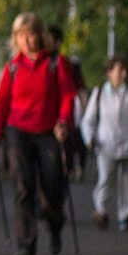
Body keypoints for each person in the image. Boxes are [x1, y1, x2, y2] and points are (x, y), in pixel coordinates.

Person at [0, 12, 79, 255]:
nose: (27, 39)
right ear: (16, 39)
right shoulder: (13, 67)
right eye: (21, 35)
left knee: (52, 187)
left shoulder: (56, 64)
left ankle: (55, 226)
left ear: (41, 35)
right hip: (18, 132)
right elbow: (2, 102)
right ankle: (26, 244)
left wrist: (64, 121)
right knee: (23, 187)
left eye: (31, 33)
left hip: (48, 131)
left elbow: (68, 95)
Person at [80, 56, 128, 231]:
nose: (123, 74)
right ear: (109, 73)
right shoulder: (99, 94)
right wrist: (89, 138)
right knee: (105, 180)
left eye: (124, 70)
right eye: (119, 70)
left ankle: (124, 216)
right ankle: (102, 211)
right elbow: (88, 120)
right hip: (105, 144)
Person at [48, 25, 90, 181]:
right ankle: (68, 169)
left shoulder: (67, 64)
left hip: (71, 111)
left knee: (75, 140)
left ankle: (77, 168)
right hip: (50, 113)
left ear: (58, 42)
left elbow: (79, 90)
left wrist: (85, 111)